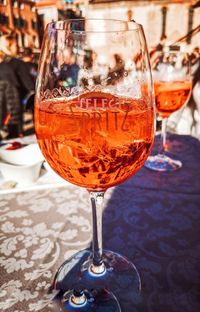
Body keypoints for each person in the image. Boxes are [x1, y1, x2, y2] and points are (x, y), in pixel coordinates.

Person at [0, 34, 35, 138]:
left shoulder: (2, 64)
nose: (18, 47)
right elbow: (30, 85)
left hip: (2, 106)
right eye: (16, 45)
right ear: (10, 46)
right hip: (13, 106)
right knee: (15, 139)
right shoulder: (17, 64)